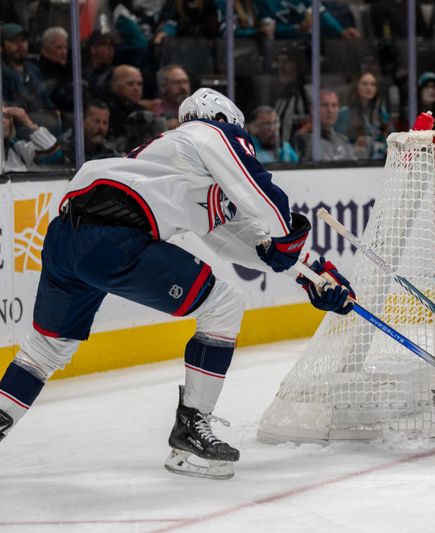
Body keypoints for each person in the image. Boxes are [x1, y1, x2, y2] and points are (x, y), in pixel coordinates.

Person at [0, 88, 354, 480]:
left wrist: (311, 275)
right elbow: (262, 195)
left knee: (44, 350)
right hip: (113, 239)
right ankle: (192, 425)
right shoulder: (211, 134)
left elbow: (246, 241)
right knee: (223, 305)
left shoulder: (175, 163)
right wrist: (288, 237)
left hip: (65, 238)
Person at [335, 70, 394, 160]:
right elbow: (338, 143)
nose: (369, 88)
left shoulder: (383, 114)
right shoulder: (345, 113)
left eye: (373, 84)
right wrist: (355, 144)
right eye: (364, 84)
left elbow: (393, 141)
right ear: (356, 86)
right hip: (355, 163)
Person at [1, 23, 54, 112]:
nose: (21, 45)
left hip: (41, 120)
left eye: (23, 40)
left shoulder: (33, 70)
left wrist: (54, 110)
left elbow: (45, 99)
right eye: (14, 41)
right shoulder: (2, 72)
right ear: (1, 46)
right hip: (17, 122)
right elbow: (4, 105)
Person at [295, 90, 356, 161]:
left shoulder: (343, 140)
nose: (330, 110)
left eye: (334, 105)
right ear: (313, 109)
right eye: (325, 105)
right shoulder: (306, 141)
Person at [2, 104, 64, 171]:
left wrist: (29, 125)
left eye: (6, 116)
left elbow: (54, 155)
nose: (3, 121)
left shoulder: (18, 148)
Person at [107, 64, 147, 147]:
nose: (136, 89)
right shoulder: (106, 112)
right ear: (114, 85)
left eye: (139, 84)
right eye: (130, 84)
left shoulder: (143, 113)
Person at [37, 26, 73, 112]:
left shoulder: (71, 69)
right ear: (44, 51)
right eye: (59, 48)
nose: (64, 52)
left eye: (66, 47)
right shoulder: (38, 71)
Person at [152, 64, 192, 129]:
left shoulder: (200, 109)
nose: (183, 87)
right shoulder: (157, 116)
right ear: (163, 87)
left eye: (185, 82)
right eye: (177, 82)